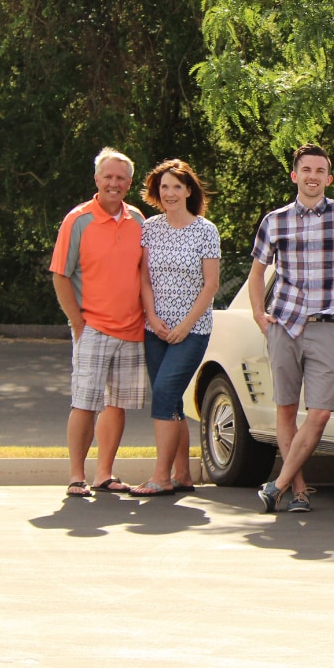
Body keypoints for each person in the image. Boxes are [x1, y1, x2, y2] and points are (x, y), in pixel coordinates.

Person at [251, 143, 334, 515]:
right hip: (284, 324)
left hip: (325, 325)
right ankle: (298, 491)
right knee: (286, 410)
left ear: (329, 178)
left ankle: (276, 485)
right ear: (295, 175)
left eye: (320, 171)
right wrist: (259, 314)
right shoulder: (275, 220)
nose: (313, 176)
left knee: (321, 412)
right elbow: (258, 272)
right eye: (306, 170)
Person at [52, 148, 149, 498]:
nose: (114, 183)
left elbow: (143, 274)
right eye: (108, 176)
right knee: (84, 403)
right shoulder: (77, 220)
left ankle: (104, 474)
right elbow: (60, 275)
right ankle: (77, 476)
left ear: (129, 183)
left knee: (117, 405)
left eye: (121, 178)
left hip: (131, 329)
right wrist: (78, 324)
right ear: (96, 179)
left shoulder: (137, 219)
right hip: (92, 327)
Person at [129, 159, 221, 498]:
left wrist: (184, 326)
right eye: (164, 187)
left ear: (188, 190)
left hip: (191, 331)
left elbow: (211, 285)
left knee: (165, 394)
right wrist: (152, 317)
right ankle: (182, 474)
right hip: (155, 329)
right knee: (171, 402)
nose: (169, 193)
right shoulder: (150, 228)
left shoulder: (205, 230)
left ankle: (160, 477)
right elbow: (144, 278)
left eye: (176, 187)